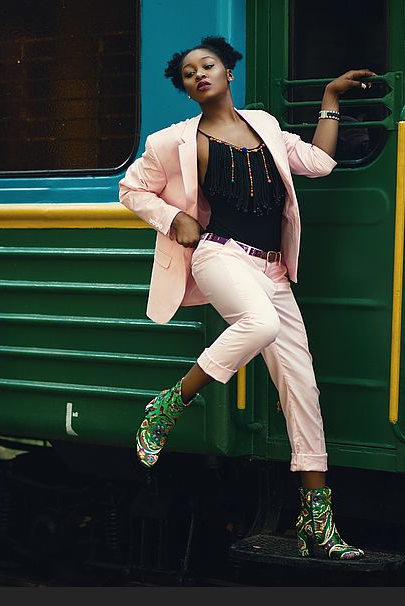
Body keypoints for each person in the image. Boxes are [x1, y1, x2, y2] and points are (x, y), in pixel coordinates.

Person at [118, 35, 376, 560]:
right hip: (220, 256)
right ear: (187, 90)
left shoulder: (266, 125)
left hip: (272, 270)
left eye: (207, 65)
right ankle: (169, 405)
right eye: (189, 73)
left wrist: (330, 97)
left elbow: (321, 163)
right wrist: (174, 218)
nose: (199, 75)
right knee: (258, 325)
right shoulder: (173, 142)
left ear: (228, 73)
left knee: (302, 389)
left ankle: (317, 522)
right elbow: (131, 189)